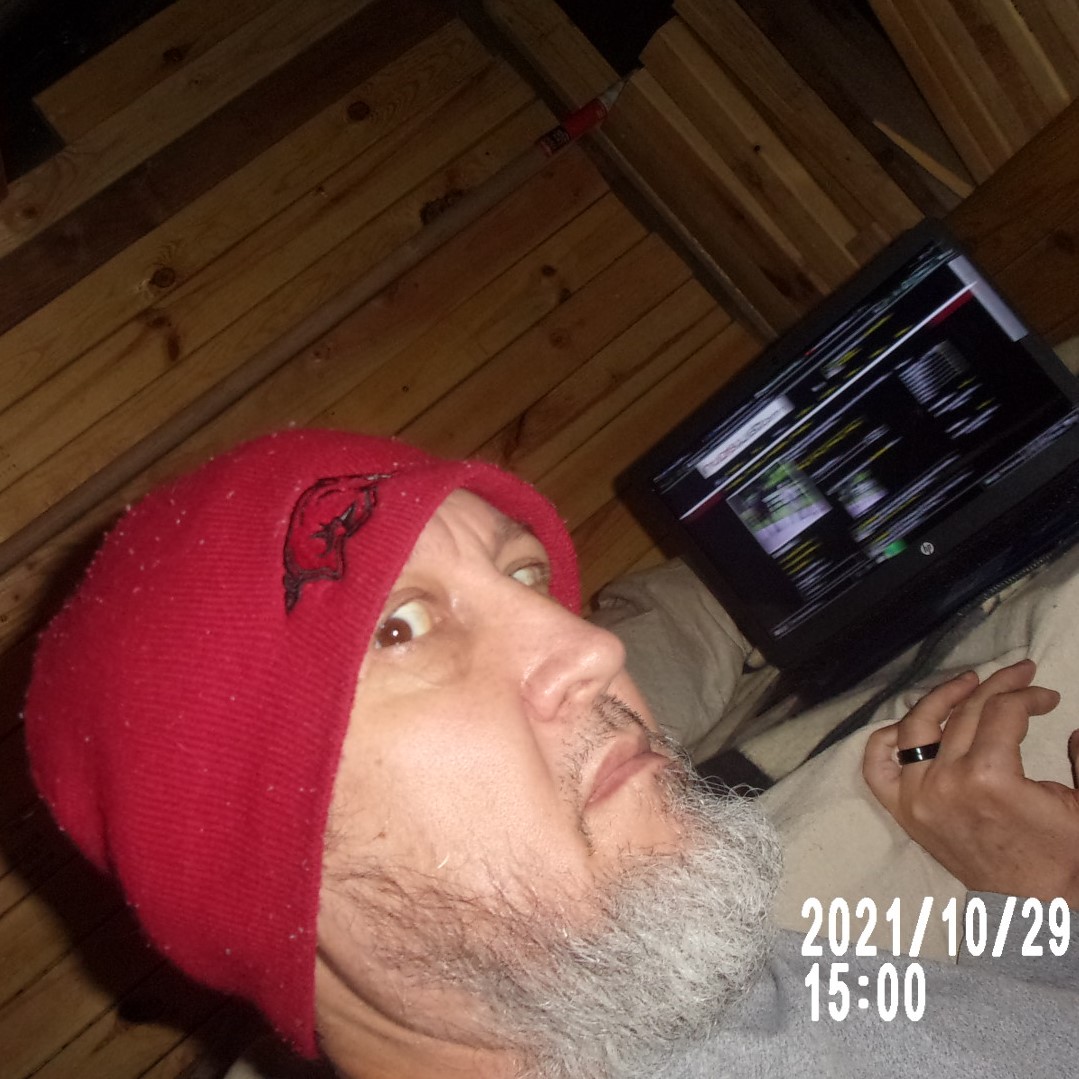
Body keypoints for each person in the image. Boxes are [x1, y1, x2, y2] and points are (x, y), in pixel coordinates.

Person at [23, 429, 1079, 1079]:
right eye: (399, 627)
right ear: (249, 858)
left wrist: (1038, 905)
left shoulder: (613, 971)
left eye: (525, 576)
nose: (590, 646)